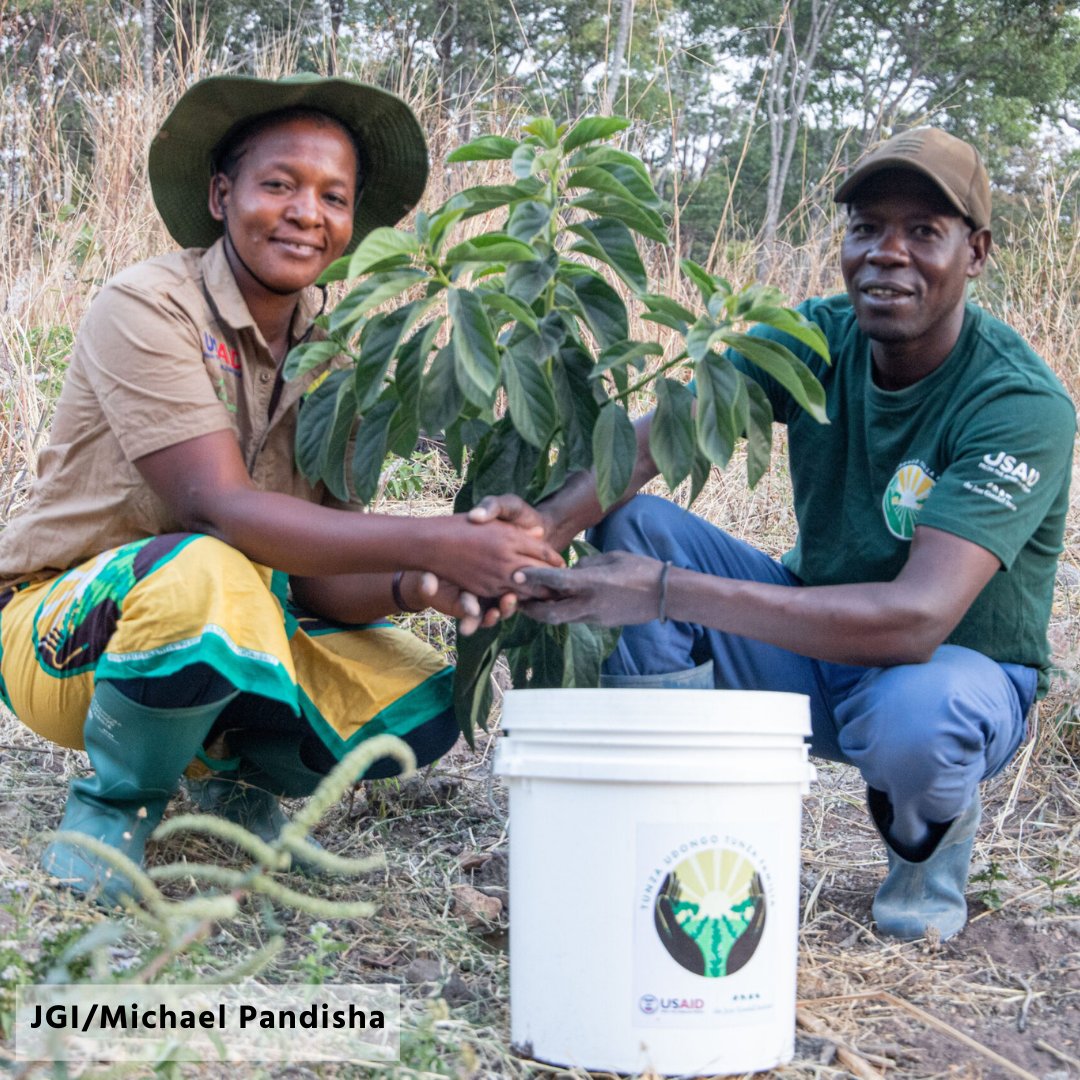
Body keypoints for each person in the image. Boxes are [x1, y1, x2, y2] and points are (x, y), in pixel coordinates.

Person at [475, 128, 1076, 941]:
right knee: (636, 524)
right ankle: (671, 826)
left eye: (923, 232)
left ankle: (921, 842)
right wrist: (540, 528)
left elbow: (915, 619)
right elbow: (660, 437)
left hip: (945, 671)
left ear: (976, 253)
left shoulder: (1017, 403)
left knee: (918, 719)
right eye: (866, 228)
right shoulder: (818, 335)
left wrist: (661, 593)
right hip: (811, 641)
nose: (886, 255)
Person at [0, 73, 559, 907]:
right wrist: (437, 538)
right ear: (222, 196)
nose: (307, 212)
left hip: (230, 613)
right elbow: (217, 508)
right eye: (279, 185)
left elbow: (317, 574)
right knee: (207, 571)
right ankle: (115, 806)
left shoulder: (332, 352)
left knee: (419, 704)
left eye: (334, 197)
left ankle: (226, 769)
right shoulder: (147, 305)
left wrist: (419, 583)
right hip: (64, 632)